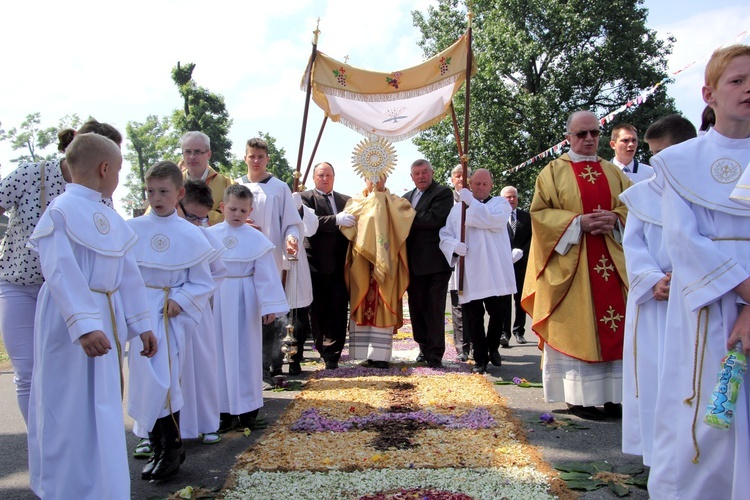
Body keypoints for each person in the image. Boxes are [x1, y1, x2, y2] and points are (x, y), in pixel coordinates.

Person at [26, 133, 157, 499]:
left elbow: (129, 274)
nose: (117, 176)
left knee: (103, 403)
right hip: (71, 322)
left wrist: (142, 324)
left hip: (108, 316)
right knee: (67, 404)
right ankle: (66, 487)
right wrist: (84, 325)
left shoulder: (110, 216)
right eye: (117, 170)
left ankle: (104, 485)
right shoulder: (61, 211)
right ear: (105, 169)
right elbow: (60, 271)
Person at [647, 45, 750, 499]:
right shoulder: (678, 162)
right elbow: (683, 240)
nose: (749, 89)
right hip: (710, 305)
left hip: (742, 297)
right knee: (707, 408)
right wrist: (745, 292)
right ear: (708, 93)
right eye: (737, 80)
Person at [0, 118, 122, 427]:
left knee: (62, 372)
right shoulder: (29, 174)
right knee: (28, 372)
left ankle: (65, 439)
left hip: (65, 297)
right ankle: (38, 443)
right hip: (20, 287)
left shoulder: (101, 196)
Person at [521, 110, 631, 421]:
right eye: (581, 134)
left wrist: (617, 218)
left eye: (594, 133)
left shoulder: (614, 173)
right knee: (577, 326)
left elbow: (632, 208)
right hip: (574, 267)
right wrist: (577, 222)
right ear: (568, 137)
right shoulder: (553, 172)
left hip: (611, 261)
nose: (588, 139)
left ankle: (614, 398)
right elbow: (539, 216)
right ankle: (578, 397)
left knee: (617, 327)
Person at [127, 161, 215, 481]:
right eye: (150, 191)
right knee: (142, 379)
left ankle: (173, 446)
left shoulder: (191, 235)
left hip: (168, 314)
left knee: (163, 379)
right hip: (139, 311)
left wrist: (180, 299)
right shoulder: (132, 229)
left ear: (179, 193)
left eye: (163, 191)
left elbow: (203, 281)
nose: (156, 197)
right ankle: (156, 445)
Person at [618, 115, 696, 466]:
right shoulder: (643, 195)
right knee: (656, 376)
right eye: (653, 155)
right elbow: (632, 246)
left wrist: (687, 276)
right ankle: (660, 459)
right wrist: (652, 279)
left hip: (699, 299)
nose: (655, 164)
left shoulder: (709, 187)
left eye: (663, 154)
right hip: (656, 303)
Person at [208, 184, 288, 432]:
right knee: (218, 355)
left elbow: (265, 275)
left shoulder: (256, 239)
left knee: (246, 354)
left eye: (243, 210)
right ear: (222, 207)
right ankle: (221, 411)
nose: (237, 214)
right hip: (217, 300)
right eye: (232, 209)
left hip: (246, 300)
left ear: (250, 210)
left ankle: (248, 410)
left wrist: (268, 306)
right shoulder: (208, 235)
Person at [236, 137, 313, 383]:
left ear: (267, 159)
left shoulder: (279, 188)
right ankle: (247, 366)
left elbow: (291, 223)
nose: (256, 161)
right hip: (241, 262)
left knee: (270, 313)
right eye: (252, 156)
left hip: (271, 259)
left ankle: (271, 365)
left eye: (260, 157)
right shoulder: (236, 186)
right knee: (247, 313)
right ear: (245, 158)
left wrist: (291, 238)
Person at [439, 169, 516, 374]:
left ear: (491, 185)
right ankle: (480, 358)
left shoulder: (500, 204)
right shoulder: (457, 209)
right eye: (477, 184)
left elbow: (492, 221)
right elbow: (445, 233)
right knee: (473, 317)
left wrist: (471, 203)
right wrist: (454, 245)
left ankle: (493, 347)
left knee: (498, 313)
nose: (481, 188)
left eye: (485, 184)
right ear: (470, 184)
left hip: (495, 269)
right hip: (471, 269)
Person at [341, 175, 415, 369]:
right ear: (364, 177)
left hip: (387, 261)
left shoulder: (397, 202)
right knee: (362, 299)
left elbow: (407, 216)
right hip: (362, 262)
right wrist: (370, 204)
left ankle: (381, 356)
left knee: (384, 301)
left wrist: (382, 203)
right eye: (370, 176)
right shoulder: (355, 201)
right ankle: (364, 353)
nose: (375, 180)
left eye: (379, 176)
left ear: (386, 177)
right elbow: (346, 224)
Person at [175, 180, 227, 445]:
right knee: (165, 370)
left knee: (203, 366)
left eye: (203, 218)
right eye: (193, 216)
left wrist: (191, 296)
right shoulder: (152, 230)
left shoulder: (205, 236)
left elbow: (217, 272)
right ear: (178, 202)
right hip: (162, 312)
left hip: (196, 310)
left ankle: (207, 422)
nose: (197, 223)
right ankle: (153, 430)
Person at [301, 162, 352, 370]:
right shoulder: (306, 198)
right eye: (320, 175)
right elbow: (310, 223)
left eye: (328, 174)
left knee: (339, 309)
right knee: (318, 310)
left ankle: (334, 354)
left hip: (340, 263)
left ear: (334, 177)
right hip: (315, 263)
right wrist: (335, 220)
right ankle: (322, 347)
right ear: (314, 177)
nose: (324, 178)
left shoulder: (346, 200)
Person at [403, 159, 454, 368]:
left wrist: (405, 219)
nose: (421, 176)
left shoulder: (443, 193)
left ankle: (435, 354)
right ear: (411, 177)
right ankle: (423, 348)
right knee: (417, 309)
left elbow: (434, 219)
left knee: (434, 310)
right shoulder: (405, 198)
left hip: (435, 265)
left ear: (432, 172)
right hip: (412, 265)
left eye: (425, 172)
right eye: (417, 173)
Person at [500, 185, 531, 345]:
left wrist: (522, 252)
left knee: (520, 299)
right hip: (504, 264)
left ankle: (519, 331)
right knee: (504, 300)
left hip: (521, 264)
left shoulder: (526, 217)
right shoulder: (497, 216)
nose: (511, 200)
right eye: (508, 197)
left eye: (513, 197)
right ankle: (504, 333)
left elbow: (532, 239)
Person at [180, 131, 234, 225]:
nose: (192, 157)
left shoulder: (228, 185)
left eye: (197, 152)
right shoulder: (172, 183)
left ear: (208, 154)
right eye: (187, 152)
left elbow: (234, 216)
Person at [448, 165, 471, 360]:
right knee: (458, 306)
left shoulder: (477, 200)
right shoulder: (446, 199)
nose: (461, 179)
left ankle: (475, 344)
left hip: (475, 259)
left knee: (474, 305)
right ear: (452, 179)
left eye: (465, 176)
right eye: (457, 176)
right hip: (453, 259)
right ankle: (462, 348)